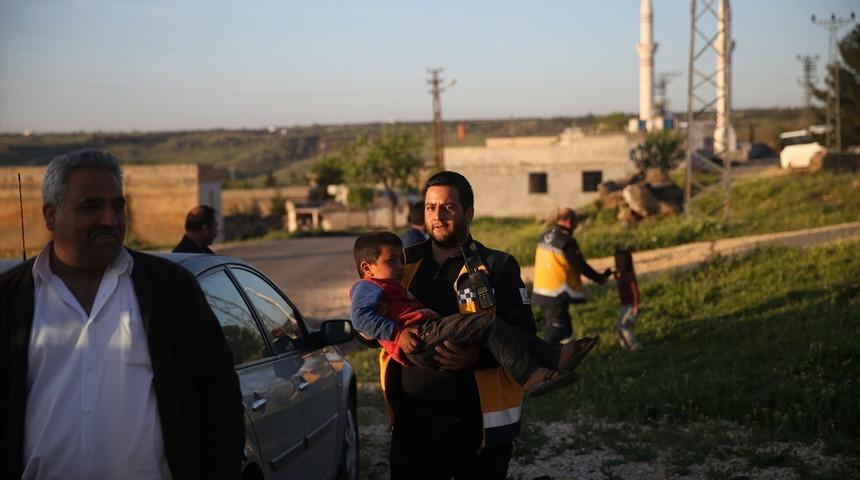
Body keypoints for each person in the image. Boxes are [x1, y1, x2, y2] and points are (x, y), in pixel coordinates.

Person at [0, 150, 244, 479]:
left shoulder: (171, 288)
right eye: (92, 207)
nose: (109, 220)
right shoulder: (9, 299)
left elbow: (219, 393)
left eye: (117, 207)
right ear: (51, 215)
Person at [371, 171, 539, 479]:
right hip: (414, 428)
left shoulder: (498, 265)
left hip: (479, 429)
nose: (437, 216)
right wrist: (385, 330)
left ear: (468, 213)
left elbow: (524, 333)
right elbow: (368, 325)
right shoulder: (401, 264)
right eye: (431, 207)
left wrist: (477, 357)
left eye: (448, 207)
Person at [350, 232, 598, 397]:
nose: (400, 266)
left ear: (468, 211)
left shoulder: (493, 262)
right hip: (419, 338)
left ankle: (554, 355)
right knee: (486, 323)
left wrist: (476, 357)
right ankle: (530, 376)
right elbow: (360, 318)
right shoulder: (368, 286)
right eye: (392, 261)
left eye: (400, 260)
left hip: (431, 332)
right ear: (367, 268)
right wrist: (396, 333)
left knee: (494, 327)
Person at [532, 208, 611, 344]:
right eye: (575, 223)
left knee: (566, 329)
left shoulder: (544, 235)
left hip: (542, 290)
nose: (575, 226)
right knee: (557, 330)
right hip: (557, 292)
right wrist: (600, 278)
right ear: (569, 221)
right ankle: (542, 355)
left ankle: (565, 353)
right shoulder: (566, 240)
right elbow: (581, 266)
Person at [613, 246, 642, 351]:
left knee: (625, 327)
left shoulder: (629, 276)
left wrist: (636, 306)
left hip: (630, 306)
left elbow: (635, 292)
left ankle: (634, 346)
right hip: (623, 306)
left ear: (627, 262)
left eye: (620, 261)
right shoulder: (621, 275)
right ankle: (625, 347)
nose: (617, 264)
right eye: (616, 261)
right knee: (619, 327)